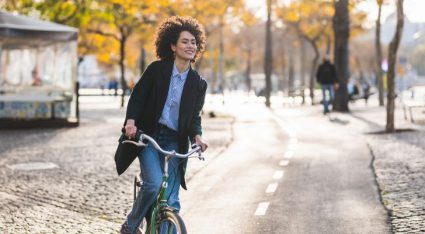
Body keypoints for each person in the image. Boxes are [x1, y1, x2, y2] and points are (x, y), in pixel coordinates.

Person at [120, 16, 208, 234]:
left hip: (175, 141)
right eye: (185, 41)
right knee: (153, 183)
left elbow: (194, 117)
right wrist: (131, 123)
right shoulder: (157, 70)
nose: (190, 46)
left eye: (193, 42)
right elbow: (138, 97)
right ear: (172, 45)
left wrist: (197, 136)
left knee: (171, 201)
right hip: (149, 135)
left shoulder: (198, 83)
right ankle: (130, 226)